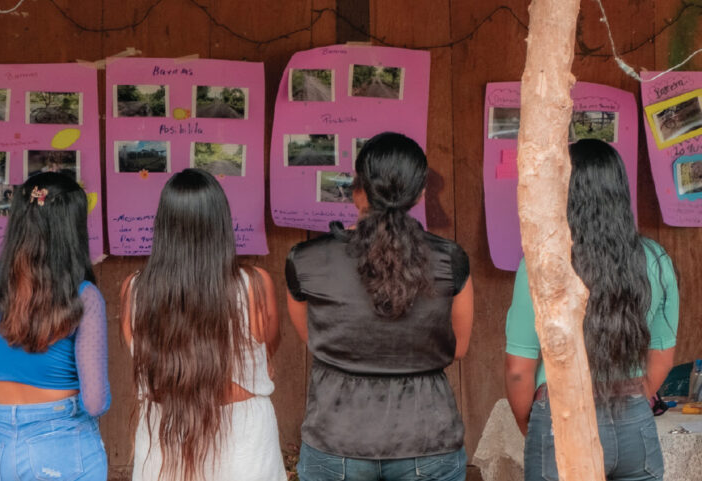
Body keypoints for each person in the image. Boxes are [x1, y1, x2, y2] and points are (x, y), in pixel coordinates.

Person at [286, 132, 473, 481]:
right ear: (419, 194)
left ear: (358, 191)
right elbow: (458, 347)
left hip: (336, 439)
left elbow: (313, 337)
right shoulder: (450, 259)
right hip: (427, 440)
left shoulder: (306, 260)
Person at [505, 139, 678, 481]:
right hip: (633, 421)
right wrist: (631, 401)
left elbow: (518, 371)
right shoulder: (656, 260)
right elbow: (661, 357)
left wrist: (536, 427)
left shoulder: (541, 265)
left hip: (558, 418)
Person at [122, 169, 286, 481]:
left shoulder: (135, 289)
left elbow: (138, 353)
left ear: (163, 225)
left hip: (164, 432)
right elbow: (269, 346)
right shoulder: (254, 285)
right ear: (221, 223)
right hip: (243, 439)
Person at [0, 172, 110, 481]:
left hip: (1, 450)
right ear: (71, 228)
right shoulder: (84, 296)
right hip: (63, 445)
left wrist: (13, 407)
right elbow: (94, 402)